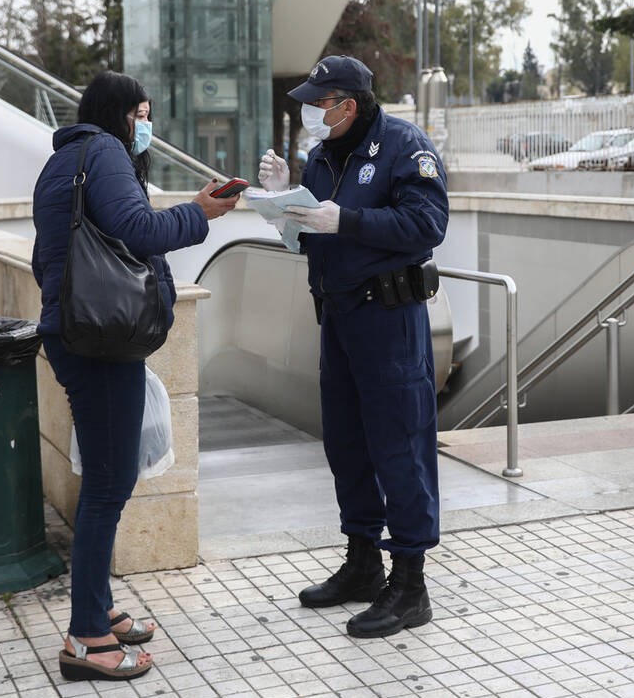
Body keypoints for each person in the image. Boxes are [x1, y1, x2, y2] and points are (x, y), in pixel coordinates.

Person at [32, 70, 239, 680]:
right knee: (107, 485)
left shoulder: (64, 160)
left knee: (107, 479)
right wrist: (200, 212)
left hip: (76, 333)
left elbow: (51, 255)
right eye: (141, 114)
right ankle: (87, 640)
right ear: (119, 113)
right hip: (99, 343)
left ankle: (97, 608)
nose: (146, 125)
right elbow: (140, 230)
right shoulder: (105, 153)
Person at [258, 55, 448, 639]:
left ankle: (410, 584)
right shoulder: (322, 156)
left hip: (388, 319)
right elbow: (313, 236)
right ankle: (363, 561)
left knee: (400, 445)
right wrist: (282, 209)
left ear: (349, 104)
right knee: (347, 443)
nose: (311, 113)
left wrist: (349, 222)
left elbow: (427, 224)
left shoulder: (403, 146)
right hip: (338, 317)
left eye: (320, 103)